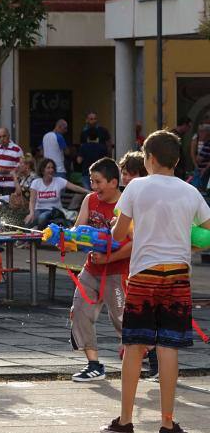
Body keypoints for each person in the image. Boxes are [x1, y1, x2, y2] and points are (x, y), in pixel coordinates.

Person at [102, 130, 210, 433]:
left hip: (144, 274)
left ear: (148, 159)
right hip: (177, 274)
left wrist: (124, 223)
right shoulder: (189, 193)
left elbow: (120, 233)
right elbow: (206, 231)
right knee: (169, 346)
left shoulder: (136, 186)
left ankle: (125, 421)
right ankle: (168, 423)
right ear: (177, 160)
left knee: (134, 346)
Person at [69, 158, 131, 382]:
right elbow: (78, 229)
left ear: (114, 182)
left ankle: (150, 357)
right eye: (92, 181)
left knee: (123, 319)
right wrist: (64, 237)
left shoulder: (126, 204)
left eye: (98, 182)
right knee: (80, 311)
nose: (94, 187)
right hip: (91, 269)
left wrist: (109, 258)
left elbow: (134, 243)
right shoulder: (90, 200)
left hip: (118, 271)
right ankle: (93, 365)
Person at [118, 150, 157, 378]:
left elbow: (124, 234)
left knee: (146, 319)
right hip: (134, 266)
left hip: (142, 266)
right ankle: (154, 366)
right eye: (124, 173)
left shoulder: (137, 195)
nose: (126, 178)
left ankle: (154, 366)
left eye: (130, 174)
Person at [25, 158, 88, 229]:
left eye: (52, 168)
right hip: (39, 210)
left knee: (43, 218)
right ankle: (28, 238)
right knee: (28, 222)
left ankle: (40, 235)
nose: (51, 170)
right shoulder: (36, 182)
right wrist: (31, 213)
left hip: (54, 211)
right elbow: (32, 201)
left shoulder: (59, 181)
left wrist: (88, 192)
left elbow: (75, 187)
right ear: (42, 170)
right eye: (48, 168)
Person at [0, 127, 22, 201]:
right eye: (0, 137)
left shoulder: (17, 149)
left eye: (4, 136)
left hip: (10, 185)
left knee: (8, 207)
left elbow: (21, 168)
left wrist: (7, 170)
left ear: (9, 135)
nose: (2, 139)